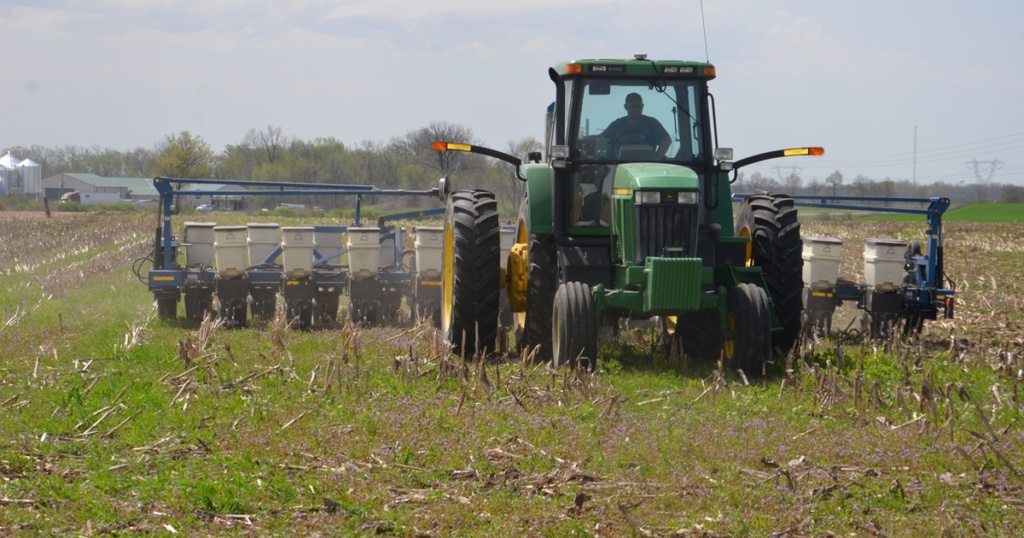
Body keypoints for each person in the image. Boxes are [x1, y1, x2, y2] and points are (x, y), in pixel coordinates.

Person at [602, 93, 672, 159]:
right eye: (633, 106)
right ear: (625, 107)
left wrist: (655, 158)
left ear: (643, 106)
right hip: (620, 165)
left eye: (639, 106)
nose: (636, 109)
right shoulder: (617, 124)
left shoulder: (652, 123)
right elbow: (601, 138)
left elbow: (666, 140)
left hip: (646, 166)